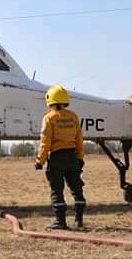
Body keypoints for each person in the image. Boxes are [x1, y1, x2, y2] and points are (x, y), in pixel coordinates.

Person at [34, 84, 86, 230]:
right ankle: (79, 221)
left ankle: (60, 222)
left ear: (49, 100)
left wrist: (40, 161)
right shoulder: (73, 116)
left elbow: (45, 142)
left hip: (57, 158)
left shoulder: (48, 118)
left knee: (57, 190)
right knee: (77, 189)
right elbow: (79, 139)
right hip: (72, 157)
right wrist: (80, 158)